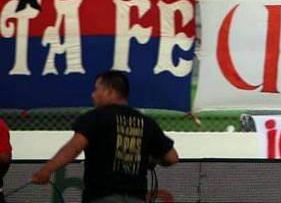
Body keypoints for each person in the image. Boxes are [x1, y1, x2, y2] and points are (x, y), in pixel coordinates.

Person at [32, 70, 178, 197]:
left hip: (101, 195)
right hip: (136, 196)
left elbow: (73, 148)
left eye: (97, 90)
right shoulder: (146, 123)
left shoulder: (95, 118)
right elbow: (172, 157)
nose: (93, 95)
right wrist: (152, 161)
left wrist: (46, 171)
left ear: (110, 91)